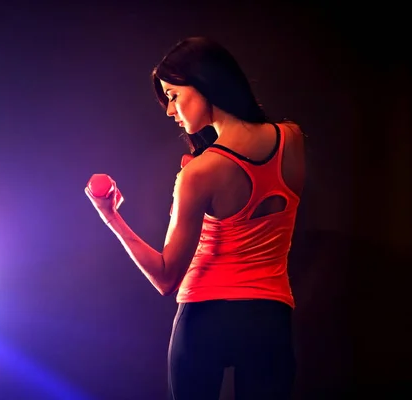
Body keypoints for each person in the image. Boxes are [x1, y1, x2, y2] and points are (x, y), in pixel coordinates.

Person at [85, 36, 306, 400]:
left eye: (173, 95)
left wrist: (110, 216)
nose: (171, 110)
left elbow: (166, 276)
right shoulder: (292, 139)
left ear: (204, 82)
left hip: (205, 318)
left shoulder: (200, 173)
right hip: (270, 318)